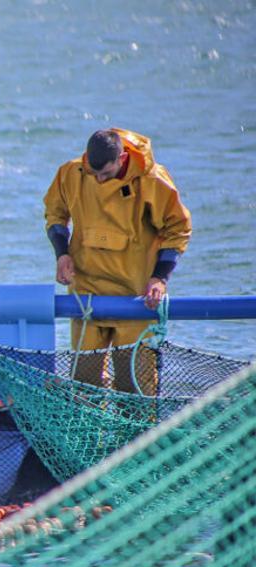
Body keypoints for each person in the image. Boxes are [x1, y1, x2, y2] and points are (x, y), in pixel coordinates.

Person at [43, 128, 191, 394]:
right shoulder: (72, 173)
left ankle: (139, 437)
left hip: (135, 298)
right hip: (86, 296)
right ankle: (87, 436)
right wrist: (62, 253)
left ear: (122, 158)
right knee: (83, 386)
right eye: (93, 172)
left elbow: (177, 229)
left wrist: (159, 277)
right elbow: (55, 213)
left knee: (135, 387)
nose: (99, 180)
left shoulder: (153, 181)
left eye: (106, 174)